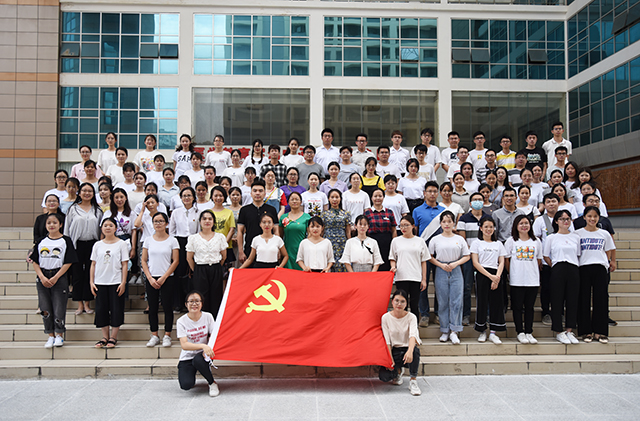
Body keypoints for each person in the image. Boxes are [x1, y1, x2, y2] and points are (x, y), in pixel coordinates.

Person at [30, 213, 77, 349]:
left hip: (59, 276)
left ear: (60, 225)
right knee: (45, 307)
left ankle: (59, 334)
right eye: (49, 223)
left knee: (59, 307)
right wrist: (42, 277)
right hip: (43, 276)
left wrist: (56, 277)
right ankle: (50, 335)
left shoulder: (66, 241)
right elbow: (35, 261)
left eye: (55, 222)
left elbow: (68, 261)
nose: (52, 225)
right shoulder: (41, 241)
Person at [428, 211, 470, 345]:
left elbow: (467, 256)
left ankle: (454, 330)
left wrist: (456, 263)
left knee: (456, 301)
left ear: (454, 223)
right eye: (444, 222)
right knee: (443, 301)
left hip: (455, 269)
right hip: (441, 269)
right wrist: (441, 265)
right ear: (440, 223)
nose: (447, 224)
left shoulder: (459, 239)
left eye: (449, 221)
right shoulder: (435, 239)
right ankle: (445, 330)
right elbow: (430, 256)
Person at [577, 206, 616, 344]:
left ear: (599, 218)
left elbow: (610, 249)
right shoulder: (577, 234)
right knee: (583, 299)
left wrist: (611, 261)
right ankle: (586, 331)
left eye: (595, 216)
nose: (592, 219)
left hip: (600, 268)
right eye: (589, 216)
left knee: (601, 299)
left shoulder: (604, 233)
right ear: (584, 217)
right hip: (583, 267)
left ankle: (600, 332)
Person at [141, 211, 179, 348]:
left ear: (166, 223)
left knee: (168, 307)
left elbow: (175, 261)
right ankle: (154, 335)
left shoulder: (172, 240)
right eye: (155, 221)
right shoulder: (148, 240)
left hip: (167, 278)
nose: (158, 224)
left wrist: (164, 277)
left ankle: (167, 335)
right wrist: (150, 278)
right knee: (153, 308)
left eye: (161, 221)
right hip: (151, 278)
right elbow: (144, 260)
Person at [89, 217, 128, 349]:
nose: (108, 228)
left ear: (116, 228)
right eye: (105, 225)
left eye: (111, 225)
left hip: (116, 281)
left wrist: (123, 282)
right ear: (101, 228)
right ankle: (104, 337)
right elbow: (93, 264)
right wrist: (91, 282)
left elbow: (124, 264)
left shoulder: (121, 244)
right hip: (100, 282)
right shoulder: (97, 245)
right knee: (101, 309)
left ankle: (113, 337)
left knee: (116, 309)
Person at [543, 210, 581, 344]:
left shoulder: (576, 237)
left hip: (573, 268)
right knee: (557, 299)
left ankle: (570, 330)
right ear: (556, 221)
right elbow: (546, 255)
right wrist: (554, 266)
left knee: (572, 300)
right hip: (558, 267)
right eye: (562, 219)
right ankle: (559, 331)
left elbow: (578, 254)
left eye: (568, 219)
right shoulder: (551, 238)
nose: (565, 221)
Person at [64, 183, 103, 315]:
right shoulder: (73, 209)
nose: (87, 193)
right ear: (79, 193)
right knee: (77, 274)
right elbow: (67, 229)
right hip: (76, 245)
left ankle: (87, 303)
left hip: (93, 244)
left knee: (89, 274)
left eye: (90, 191)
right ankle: (79, 304)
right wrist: (67, 245)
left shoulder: (97, 210)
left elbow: (101, 229)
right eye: (84, 190)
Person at [505, 214, 543, 344]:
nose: (524, 226)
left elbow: (538, 260)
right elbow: (506, 260)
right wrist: (512, 272)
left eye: (526, 223)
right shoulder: (511, 241)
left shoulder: (536, 241)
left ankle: (529, 332)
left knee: (529, 307)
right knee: (517, 307)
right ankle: (520, 332)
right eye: (521, 223)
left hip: (532, 279)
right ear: (516, 226)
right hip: (517, 280)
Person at [470, 216, 506, 344]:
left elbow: (501, 262)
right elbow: (475, 262)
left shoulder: (498, 244)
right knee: (482, 303)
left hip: (496, 274)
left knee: (496, 303)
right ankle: (482, 331)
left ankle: (493, 332)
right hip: (482, 274)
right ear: (481, 228)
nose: (488, 229)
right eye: (486, 227)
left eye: (491, 227)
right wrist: (490, 277)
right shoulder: (476, 243)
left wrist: (497, 277)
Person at [177, 290, 219, 397]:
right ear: (186, 304)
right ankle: (192, 371)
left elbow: (214, 336)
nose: (194, 304)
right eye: (191, 301)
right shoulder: (181, 321)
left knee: (198, 360)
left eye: (197, 301)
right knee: (186, 385)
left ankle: (212, 383)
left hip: (204, 354)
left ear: (202, 303)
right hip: (188, 356)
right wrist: (202, 345)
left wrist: (207, 347)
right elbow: (184, 345)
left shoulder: (208, 316)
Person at [380, 289, 422, 396]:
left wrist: (410, 351)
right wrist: (390, 358)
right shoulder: (385, 318)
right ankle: (398, 372)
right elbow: (387, 340)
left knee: (415, 352)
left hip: (407, 348)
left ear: (406, 303)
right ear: (392, 301)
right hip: (394, 350)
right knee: (384, 377)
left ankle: (413, 380)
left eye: (402, 301)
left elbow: (413, 335)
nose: (399, 304)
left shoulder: (411, 317)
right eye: (397, 301)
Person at [186, 210, 228, 316]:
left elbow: (224, 256)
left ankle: (215, 321)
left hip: (216, 269)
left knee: (216, 296)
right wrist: (196, 270)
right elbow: (189, 258)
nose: (207, 221)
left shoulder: (220, 237)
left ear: (213, 222)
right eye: (204, 218)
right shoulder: (193, 238)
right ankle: (202, 321)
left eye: (210, 219)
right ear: (200, 221)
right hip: (200, 270)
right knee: (201, 296)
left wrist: (216, 267)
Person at [389, 215, 430, 323]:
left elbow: (424, 261)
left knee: (414, 305)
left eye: (406, 225)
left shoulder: (420, 241)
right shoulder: (396, 241)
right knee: (402, 304)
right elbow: (392, 258)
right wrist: (393, 267)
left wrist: (424, 279)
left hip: (415, 277)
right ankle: (402, 327)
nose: (403, 228)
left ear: (413, 226)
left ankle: (414, 328)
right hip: (401, 277)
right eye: (401, 225)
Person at [456, 192, 486, 326]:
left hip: (484, 257)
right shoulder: (464, 218)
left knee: (484, 287)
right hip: (468, 256)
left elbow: (489, 237)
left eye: (480, 199)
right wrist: (472, 253)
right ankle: (466, 314)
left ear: (483, 202)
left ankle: (485, 314)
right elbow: (463, 239)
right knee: (467, 287)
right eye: (475, 199)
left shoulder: (488, 218)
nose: (477, 201)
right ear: (470, 203)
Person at [237, 179, 279, 264]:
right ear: (251, 193)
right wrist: (241, 251)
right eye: (255, 191)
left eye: (260, 191)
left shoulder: (272, 210)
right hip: (249, 248)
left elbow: (276, 231)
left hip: (269, 249)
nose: (257, 193)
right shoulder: (244, 210)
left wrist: (278, 249)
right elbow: (240, 231)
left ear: (265, 193)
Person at [364, 188, 396, 272]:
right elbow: (364, 230)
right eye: (375, 196)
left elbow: (393, 229)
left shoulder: (389, 212)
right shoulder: (367, 213)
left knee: (386, 264)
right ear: (371, 198)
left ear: (383, 197)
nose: (377, 198)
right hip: (372, 241)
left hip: (387, 242)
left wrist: (394, 242)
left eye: (380, 196)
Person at [321, 189, 351, 272]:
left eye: (337, 197)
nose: (334, 199)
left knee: (342, 265)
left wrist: (349, 244)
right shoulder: (324, 214)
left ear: (340, 199)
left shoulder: (346, 214)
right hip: (328, 242)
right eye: (332, 197)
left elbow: (348, 231)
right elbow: (322, 230)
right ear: (329, 199)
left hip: (342, 243)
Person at [279, 192, 310, 271]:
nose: (294, 201)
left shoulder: (307, 217)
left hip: (302, 250)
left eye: (297, 199)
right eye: (292, 199)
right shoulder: (283, 217)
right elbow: (280, 236)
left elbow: (310, 235)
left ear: (301, 202)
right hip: (287, 251)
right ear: (288, 202)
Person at [210, 186, 236, 269]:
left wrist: (223, 244)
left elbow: (232, 230)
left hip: (226, 247)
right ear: (212, 197)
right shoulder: (208, 212)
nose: (218, 198)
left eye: (221, 195)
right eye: (216, 195)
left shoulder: (229, 212)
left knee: (225, 273)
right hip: (211, 247)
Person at [226, 187, 243, 268]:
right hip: (228, 237)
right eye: (233, 195)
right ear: (229, 196)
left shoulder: (244, 209)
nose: (235, 197)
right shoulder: (226, 209)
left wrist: (238, 237)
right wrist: (231, 238)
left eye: (237, 195)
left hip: (241, 237)